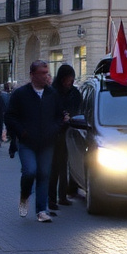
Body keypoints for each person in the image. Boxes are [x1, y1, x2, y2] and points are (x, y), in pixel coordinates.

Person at [5, 60, 65, 222]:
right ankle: (24, 196)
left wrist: (54, 128)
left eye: (47, 72)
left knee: (44, 174)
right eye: (42, 73)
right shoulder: (21, 94)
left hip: (47, 142)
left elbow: (60, 115)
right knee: (30, 171)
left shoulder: (52, 94)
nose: (46, 76)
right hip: (27, 142)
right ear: (33, 75)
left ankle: (41, 210)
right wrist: (22, 132)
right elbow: (10, 116)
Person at [48, 65, 82, 208]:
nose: (70, 82)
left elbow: (79, 108)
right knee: (55, 167)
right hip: (57, 133)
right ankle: (51, 198)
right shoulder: (53, 92)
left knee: (65, 166)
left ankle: (63, 195)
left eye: (71, 79)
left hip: (72, 131)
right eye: (68, 79)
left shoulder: (74, 92)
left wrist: (72, 117)